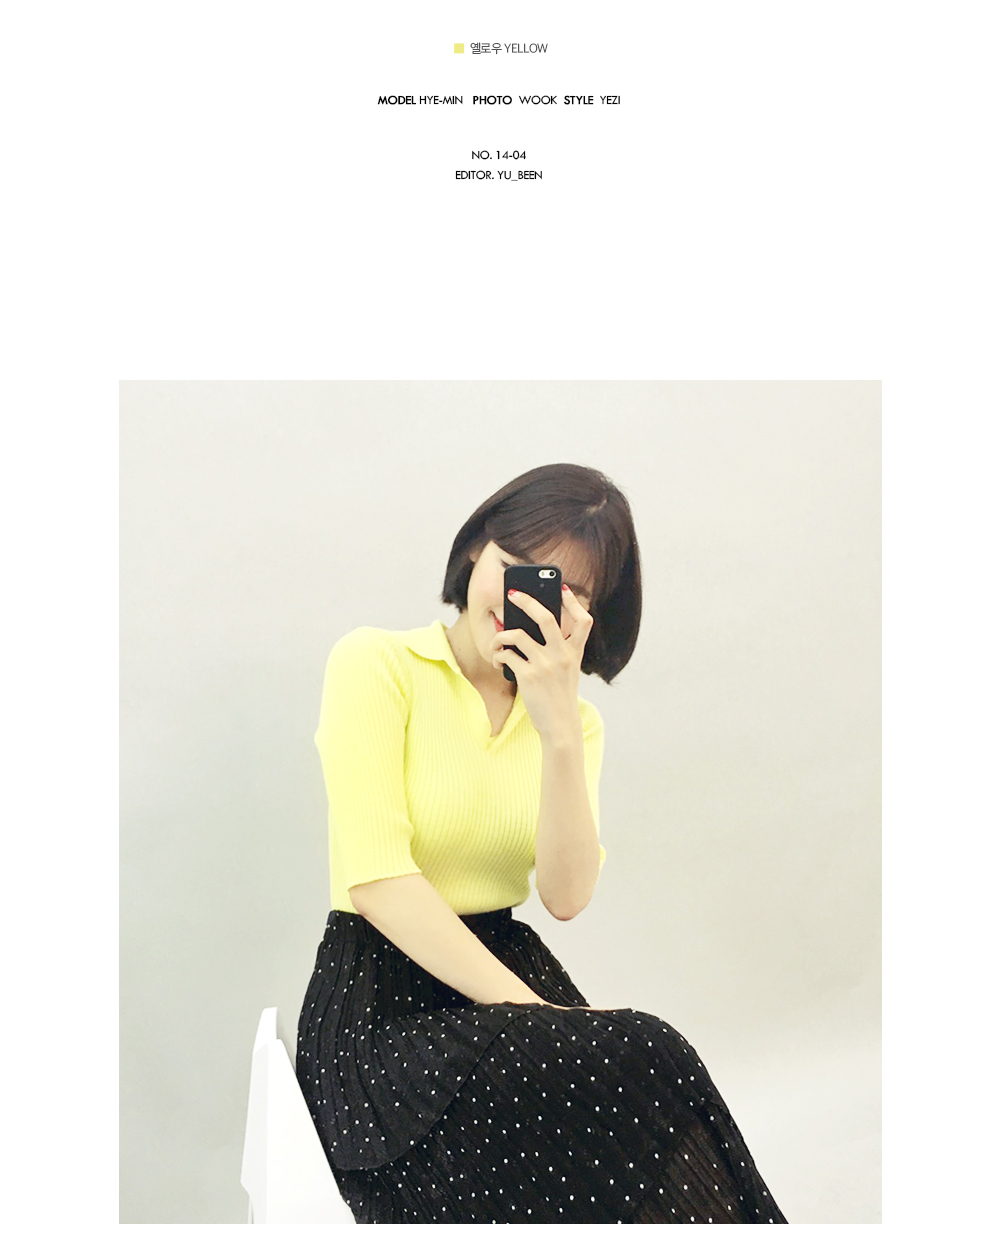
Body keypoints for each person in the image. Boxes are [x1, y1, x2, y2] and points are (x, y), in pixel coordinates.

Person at [296, 462, 787, 1224]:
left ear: (586, 616)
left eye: (566, 589)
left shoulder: (575, 725)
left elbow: (566, 894)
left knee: (651, 1089)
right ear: (475, 551)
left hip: (506, 978)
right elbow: (378, 881)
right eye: (516, 562)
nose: (523, 597)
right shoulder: (377, 664)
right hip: (379, 1014)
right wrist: (537, 1014)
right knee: (650, 1050)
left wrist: (556, 728)